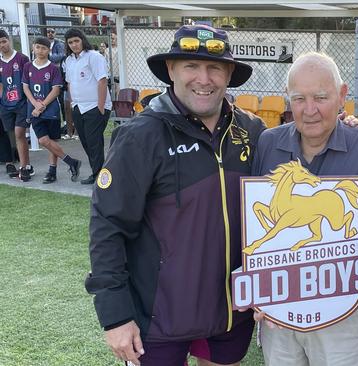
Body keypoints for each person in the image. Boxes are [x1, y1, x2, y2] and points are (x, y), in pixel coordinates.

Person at [85, 24, 266, 366]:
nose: (204, 78)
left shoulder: (252, 131)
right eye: (191, 66)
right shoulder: (140, 136)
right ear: (171, 69)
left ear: (228, 73)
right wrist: (115, 316)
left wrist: (345, 127)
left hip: (231, 312)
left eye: (214, 67)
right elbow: (108, 226)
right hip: (158, 317)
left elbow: (298, 169)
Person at [250, 52, 358, 366]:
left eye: (321, 97)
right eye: (299, 98)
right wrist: (257, 280)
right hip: (281, 308)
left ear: (341, 96)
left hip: (345, 307)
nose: (310, 110)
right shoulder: (268, 145)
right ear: (288, 98)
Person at [22, 37, 82, 183]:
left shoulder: (53, 68)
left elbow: (55, 90)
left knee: (51, 141)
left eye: (44, 48)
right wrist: (35, 104)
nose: (40, 51)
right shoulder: (28, 67)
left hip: (51, 110)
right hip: (34, 111)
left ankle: (52, 171)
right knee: (43, 140)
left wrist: (41, 105)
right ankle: (71, 162)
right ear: (33, 48)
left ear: (49, 50)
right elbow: (25, 87)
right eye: (38, 47)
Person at [63, 28, 112, 184]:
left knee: (94, 142)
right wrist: (72, 104)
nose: (74, 44)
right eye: (70, 42)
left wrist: (101, 106)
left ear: (83, 40)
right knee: (85, 142)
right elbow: (69, 83)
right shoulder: (69, 60)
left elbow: (102, 81)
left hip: (95, 107)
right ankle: (96, 172)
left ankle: (100, 177)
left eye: (76, 41)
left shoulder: (94, 57)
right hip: (79, 107)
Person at [0, 29, 33, 181]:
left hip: (21, 103)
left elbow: (29, 81)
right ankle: (16, 163)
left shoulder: (22, 58)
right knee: (11, 134)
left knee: (20, 133)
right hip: (6, 105)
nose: (2, 45)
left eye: (3, 41)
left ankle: (25, 167)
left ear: (9, 40)